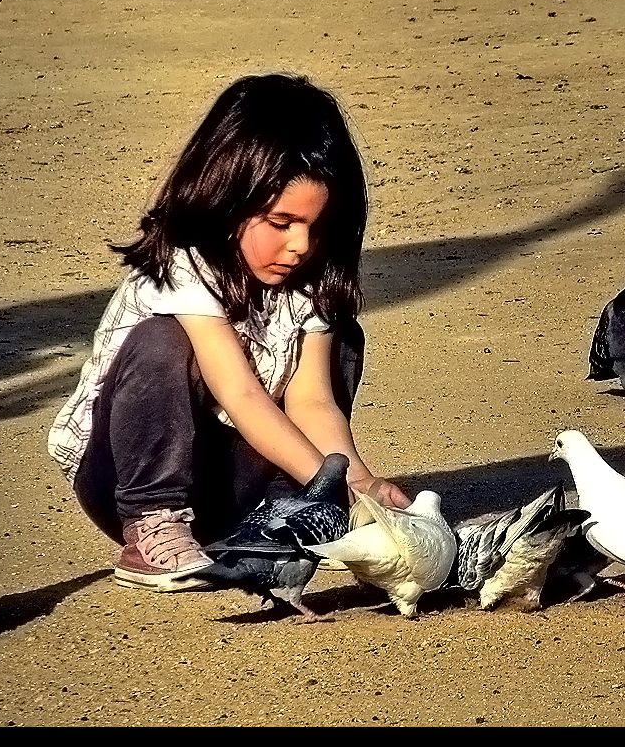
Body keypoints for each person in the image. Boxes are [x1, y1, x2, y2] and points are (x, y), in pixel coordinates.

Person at [48, 73, 411, 593]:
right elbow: (240, 395)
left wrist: (359, 486)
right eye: (280, 222)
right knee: (161, 342)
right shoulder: (183, 261)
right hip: (125, 479)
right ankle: (153, 528)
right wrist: (333, 492)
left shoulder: (307, 276)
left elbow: (312, 401)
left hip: (227, 483)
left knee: (342, 342)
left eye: (316, 225)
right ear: (227, 198)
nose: (300, 246)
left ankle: (280, 520)